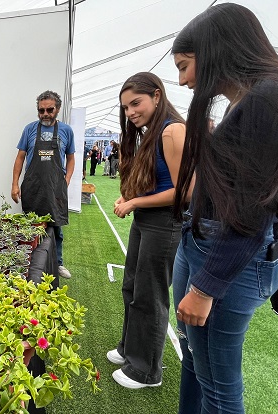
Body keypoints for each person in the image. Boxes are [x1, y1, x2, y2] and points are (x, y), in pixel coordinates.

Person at [171, 4, 278, 413]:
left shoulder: (271, 95)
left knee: (218, 386)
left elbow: (253, 207)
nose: (182, 81)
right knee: (196, 364)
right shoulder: (259, 95)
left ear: (215, 49)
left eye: (185, 66)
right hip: (206, 244)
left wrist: (205, 287)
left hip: (227, 257)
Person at [108, 72, 186, 389]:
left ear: (157, 96)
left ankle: (147, 371)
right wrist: (131, 198)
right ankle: (131, 351)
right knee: (132, 287)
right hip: (147, 220)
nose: (130, 113)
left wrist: (135, 201)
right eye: (126, 108)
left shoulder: (172, 131)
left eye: (135, 103)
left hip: (165, 224)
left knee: (151, 295)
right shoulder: (150, 133)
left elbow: (184, 192)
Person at [11, 90, 75, 279]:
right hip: (33, 186)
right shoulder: (29, 130)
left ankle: (59, 263)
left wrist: (67, 179)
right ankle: (28, 262)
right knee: (31, 225)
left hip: (55, 187)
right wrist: (15, 184)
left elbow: (71, 158)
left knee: (56, 227)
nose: (45, 114)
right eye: (41, 111)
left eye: (49, 110)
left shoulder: (66, 131)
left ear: (58, 109)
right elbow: (20, 157)